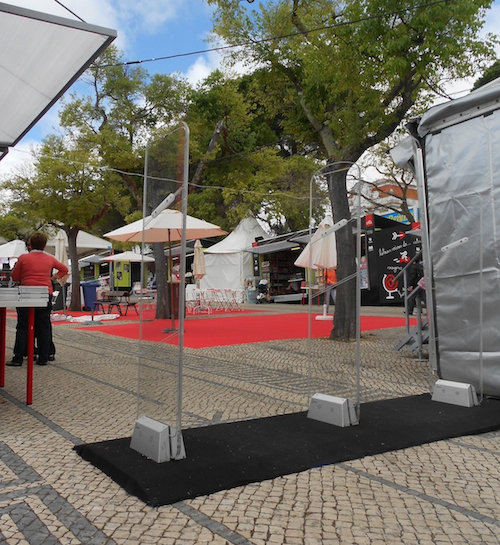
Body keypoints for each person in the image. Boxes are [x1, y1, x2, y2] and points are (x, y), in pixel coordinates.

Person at [7, 232, 69, 366]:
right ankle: (43, 357)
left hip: (26, 295)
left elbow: (15, 276)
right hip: (44, 294)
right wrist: (52, 278)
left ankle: (18, 358)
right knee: (44, 326)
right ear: (44, 245)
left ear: (31, 244)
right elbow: (64, 269)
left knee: (23, 326)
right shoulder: (49, 259)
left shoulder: (23, 258)